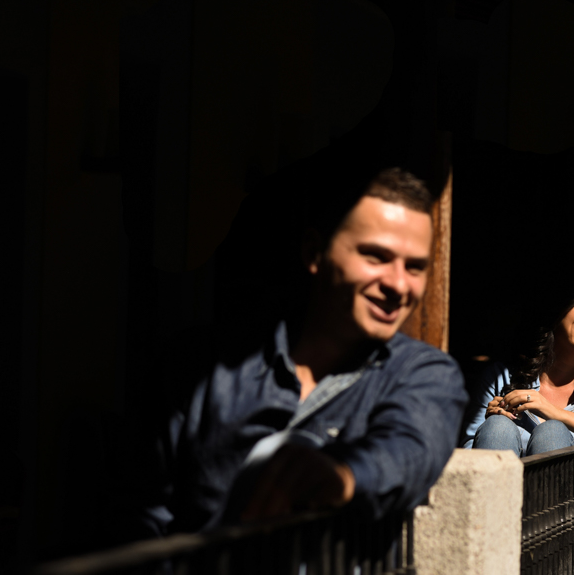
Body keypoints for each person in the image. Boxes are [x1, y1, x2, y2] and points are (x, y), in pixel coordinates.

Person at [132, 167, 467, 537]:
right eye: (376, 257)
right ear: (314, 252)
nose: (398, 284)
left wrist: (344, 476)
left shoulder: (425, 375)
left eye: (415, 267)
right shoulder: (201, 367)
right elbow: (144, 515)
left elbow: (411, 449)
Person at [461, 270, 574, 462]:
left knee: (553, 430)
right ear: (557, 311)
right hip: (499, 486)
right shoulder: (501, 376)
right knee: (497, 426)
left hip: (570, 490)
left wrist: (553, 412)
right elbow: (467, 452)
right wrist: (489, 423)